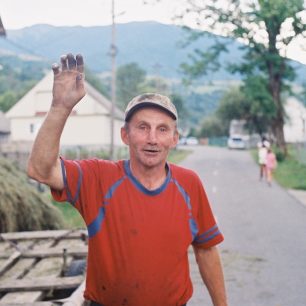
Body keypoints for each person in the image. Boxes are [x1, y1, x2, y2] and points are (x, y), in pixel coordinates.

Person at [27, 54, 228, 306]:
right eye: (143, 127)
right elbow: (40, 170)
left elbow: (206, 248)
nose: (152, 138)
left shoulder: (189, 183)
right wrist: (60, 107)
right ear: (125, 135)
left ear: (174, 139)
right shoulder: (98, 177)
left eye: (162, 129)